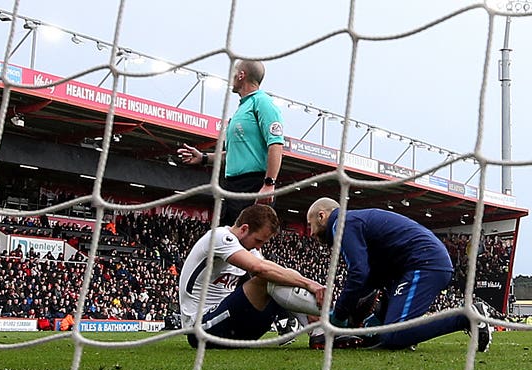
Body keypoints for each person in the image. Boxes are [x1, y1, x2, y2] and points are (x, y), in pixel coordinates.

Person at [306, 197, 492, 351]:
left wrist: (338, 316)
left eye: (310, 225)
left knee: (394, 336)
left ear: (321, 216)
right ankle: (408, 331)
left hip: (423, 264)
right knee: (379, 335)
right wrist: (376, 314)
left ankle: (466, 317)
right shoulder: (352, 222)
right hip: (413, 267)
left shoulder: (342, 224)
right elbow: (373, 276)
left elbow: (358, 274)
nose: (311, 233)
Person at [179, 204, 325, 348]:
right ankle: (328, 318)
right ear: (244, 229)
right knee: (267, 278)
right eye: (258, 240)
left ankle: (318, 329)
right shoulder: (219, 237)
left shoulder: (248, 248)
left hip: (231, 326)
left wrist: (304, 287)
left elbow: (276, 271)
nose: (258, 247)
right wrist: (308, 284)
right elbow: (259, 269)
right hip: (201, 329)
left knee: (285, 274)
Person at [177, 59, 284, 226]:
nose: (231, 78)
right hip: (232, 186)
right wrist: (204, 158)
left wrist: (269, 183)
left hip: (253, 185)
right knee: (227, 242)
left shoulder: (262, 102)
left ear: (242, 75)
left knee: (241, 242)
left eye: (233, 74)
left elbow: (276, 144)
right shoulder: (242, 108)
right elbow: (233, 154)